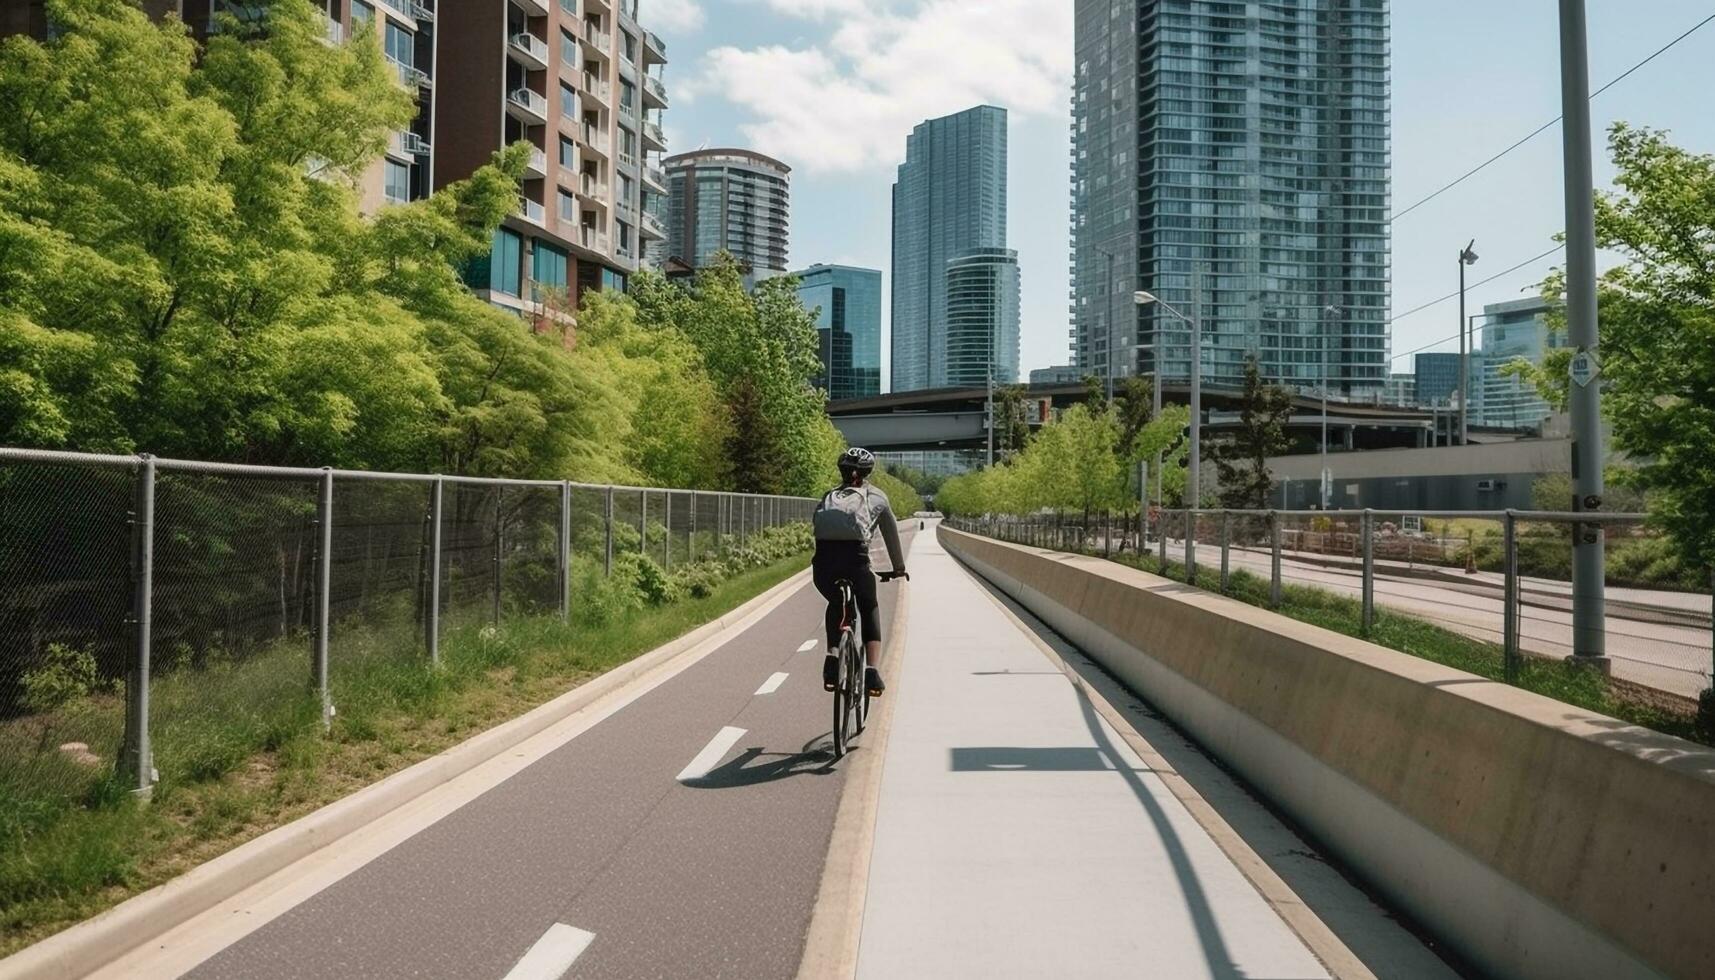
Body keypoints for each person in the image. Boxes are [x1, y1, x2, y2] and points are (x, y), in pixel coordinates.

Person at [812, 447, 907, 696]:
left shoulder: (828, 496)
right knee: (869, 606)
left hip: (823, 562)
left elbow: (817, 528)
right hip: (855, 560)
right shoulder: (877, 497)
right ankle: (872, 672)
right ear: (868, 472)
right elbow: (891, 535)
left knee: (835, 600)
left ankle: (832, 655)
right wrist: (898, 568)